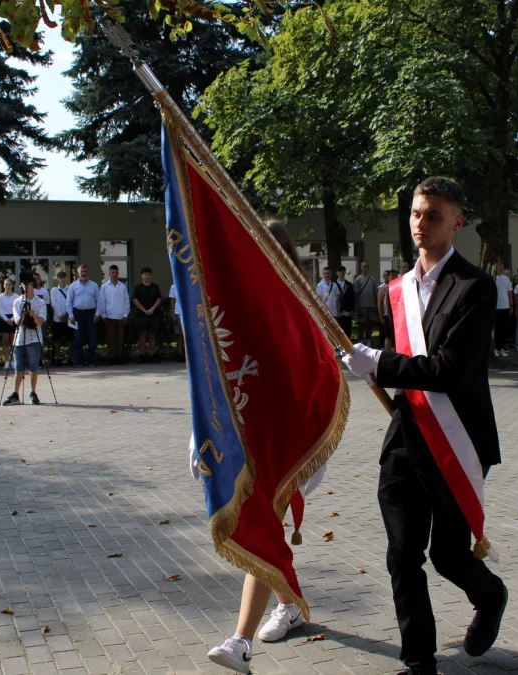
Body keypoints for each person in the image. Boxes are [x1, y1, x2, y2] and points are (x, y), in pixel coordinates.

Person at [340, 177, 506, 675]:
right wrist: (371, 363)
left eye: (433, 214)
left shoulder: (477, 287)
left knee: (449, 557)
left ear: (457, 221)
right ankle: (418, 660)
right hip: (407, 438)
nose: (420, 223)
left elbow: (449, 371)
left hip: (458, 441)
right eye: (415, 213)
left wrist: (379, 363)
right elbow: (400, 363)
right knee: (401, 555)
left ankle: (491, 594)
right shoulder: (396, 289)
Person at [204, 222, 323, 672]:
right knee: (263, 522)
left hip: (290, 438)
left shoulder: (300, 303)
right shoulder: (232, 302)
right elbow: (214, 372)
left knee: (262, 522)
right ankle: (287, 604)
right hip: (244, 433)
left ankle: (240, 641)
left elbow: (316, 373)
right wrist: (201, 433)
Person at [3, 277, 47, 406]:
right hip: (20, 339)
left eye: (27, 284)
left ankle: (33, 392)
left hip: (34, 338)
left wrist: (33, 315)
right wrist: (23, 314)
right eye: (23, 285)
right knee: (18, 368)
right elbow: (17, 321)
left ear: (32, 285)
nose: (25, 287)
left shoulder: (40, 302)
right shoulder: (17, 302)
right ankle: (16, 394)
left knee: (33, 366)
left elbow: (40, 322)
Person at [66, 264, 100, 367]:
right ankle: (79, 361)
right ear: (78, 273)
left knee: (92, 338)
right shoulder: (73, 286)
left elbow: (99, 301)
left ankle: (92, 361)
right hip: (77, 314)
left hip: (91, 314)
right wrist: (71, 315)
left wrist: (97, 314)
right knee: (78, 338)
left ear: (88, 272)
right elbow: (69, 302)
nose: (84, 273)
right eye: (82, 272)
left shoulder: (94, 285)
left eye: (85, 271)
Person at [98, 264, 130, 364]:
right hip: (109, 316)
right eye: (113, 273)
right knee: (110, 338)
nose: (114, 274)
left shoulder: (123, 286)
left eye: (116, 273)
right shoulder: (104, 286)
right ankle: (111, 357)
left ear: (118, 273)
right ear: (109, 273)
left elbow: (126, 301)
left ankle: (119, 357)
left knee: (120, 337)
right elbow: (102, 301)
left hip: (120, 316)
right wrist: (103, 315)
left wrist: (125, 314)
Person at [131, 267, 163, 361]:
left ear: (151, 275)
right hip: (141, 315)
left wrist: (152, 309)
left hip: (153, 314)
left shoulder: (155, 287)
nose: (147, 276)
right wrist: (144, 310)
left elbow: (159, 299)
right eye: (145, 274)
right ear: (142, 275)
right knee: (143, 334)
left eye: (148, 274)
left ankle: (152, 354)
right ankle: (142, 354)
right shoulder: (138, 287)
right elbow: (135, 300)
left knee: (152, 335)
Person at [49, 271, 73, 365]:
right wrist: (60, 314)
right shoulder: (54, 290)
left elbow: (71, 302)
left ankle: (69, 358)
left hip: (68, 318)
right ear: (58, 279)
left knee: (70, 339)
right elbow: (53, 303)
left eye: (64, 277)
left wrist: (66, 314)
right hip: (57, 319)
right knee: (57, 339)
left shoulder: (70, 289)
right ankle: (58, 357)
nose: (62, 279)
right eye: (60, 277)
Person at [353, 261, 379, 345]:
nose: (365, 268)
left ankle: (368, 341)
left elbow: (375, 293)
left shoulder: (372, 279)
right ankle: (360, 341)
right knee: (362, 325)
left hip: (371, 306)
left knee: (370, 325)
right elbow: (356, 294)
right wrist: (358, 306)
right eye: (364, 266)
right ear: (361, 267)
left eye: (367, 267)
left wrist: (376, 306)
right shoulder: (358, 280)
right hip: (362, 306)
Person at [493, 260, 513, 357]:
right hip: (496, 306)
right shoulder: (493, 278)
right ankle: (495, 348)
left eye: (502, 265)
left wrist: (511, 305)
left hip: (505, 306)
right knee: (496, 328)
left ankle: (501, 348)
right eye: (499, 265)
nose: (500, 267)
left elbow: (509, 293)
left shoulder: (506, 279)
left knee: (503, 328)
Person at [0, 278, 17, 369]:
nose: (8, 286)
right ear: (4, 286)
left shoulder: (16, 296)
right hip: (4, 320)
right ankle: (7, 361)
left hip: (14, 319)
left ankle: (13, 360)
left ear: (12, 286)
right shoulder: (0, 297)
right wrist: (6, 319)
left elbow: (18, 309)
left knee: (13, 342)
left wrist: (12, 319)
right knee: (5, 342)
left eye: (9, 284)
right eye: (6, 284)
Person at [333, 266, 354, 339]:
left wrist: (352, 309)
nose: (341, 273)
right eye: (339, 271)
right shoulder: (333, 284)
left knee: (348, 330)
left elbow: (352, 298)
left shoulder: (349, 285)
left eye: (343, 271)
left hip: (347, 311)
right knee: (338, 331)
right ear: (337, 273)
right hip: (337, 311)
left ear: (345, 272)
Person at [377, 269, 395, 351]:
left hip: (396, 316)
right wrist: (381, 316)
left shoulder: (398, 287)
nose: (394, 277)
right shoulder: (383, 289)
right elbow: (379, 303)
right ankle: (387, 352)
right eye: (392, 275)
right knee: (388, 336)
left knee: (394, 335)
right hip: (387, 315)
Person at [168, 283, 184, 361]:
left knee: (187, 336)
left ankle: (187, 354)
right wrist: (173, 315)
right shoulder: (174, 286)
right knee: (179, 335)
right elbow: (172, 301)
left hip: (189, 314)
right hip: (178, 312)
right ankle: (180, 354)